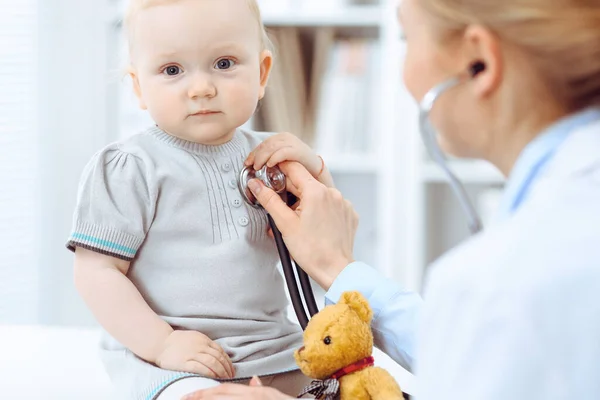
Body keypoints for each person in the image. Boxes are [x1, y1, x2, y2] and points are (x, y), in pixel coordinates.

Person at [185, 0, 600, 398]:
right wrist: (336, 266)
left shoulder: (497, 285)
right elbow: (466, 347)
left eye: (406, 37)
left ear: (480, 63)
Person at [65, 0, 335, 399]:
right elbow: (96, 273)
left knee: (350, 384)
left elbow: (328, 238)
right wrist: (162, 344)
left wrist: (316, 171)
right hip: (172, 359)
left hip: (274, 348)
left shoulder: (274, 158)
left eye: (224, 64)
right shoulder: (131, 167)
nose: (202, 87)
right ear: (139, 87)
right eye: (172, 70)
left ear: (261, 74)